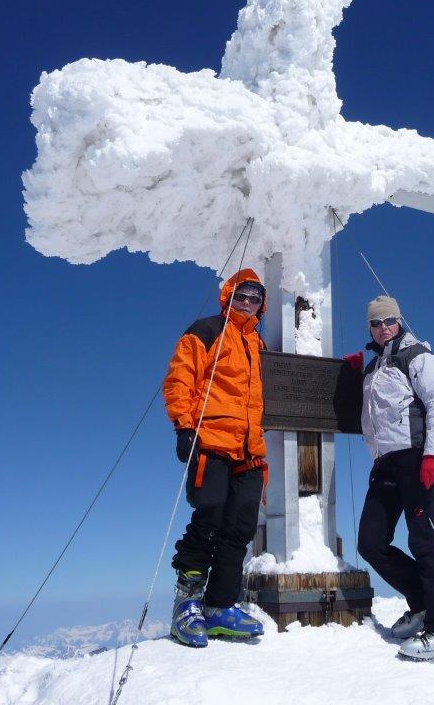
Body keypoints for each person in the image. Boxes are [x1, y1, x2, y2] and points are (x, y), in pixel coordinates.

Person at [354, 295, 434, 662]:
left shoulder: (417, 356)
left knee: (424, 541)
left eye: (389, 320)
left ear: (399, 321)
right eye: (376, 323)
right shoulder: (373, 369)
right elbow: (371, 419)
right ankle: (422, 603)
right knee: (370, 542)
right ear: (370, 327)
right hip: (385, 464)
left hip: (418, 458)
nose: (383, 328)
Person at [163, 268, 268, 648]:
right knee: (208, 520)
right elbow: (181, 378)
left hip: (249, 449)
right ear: (229, 296)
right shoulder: (206, 330)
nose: (247, 303)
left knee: (239, 528)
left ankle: (220, 605)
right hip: (211, 440)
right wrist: (184, 426)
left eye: (255, 298)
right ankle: (186, 605)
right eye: (241, 296)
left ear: (261, 305)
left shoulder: (257, 343)